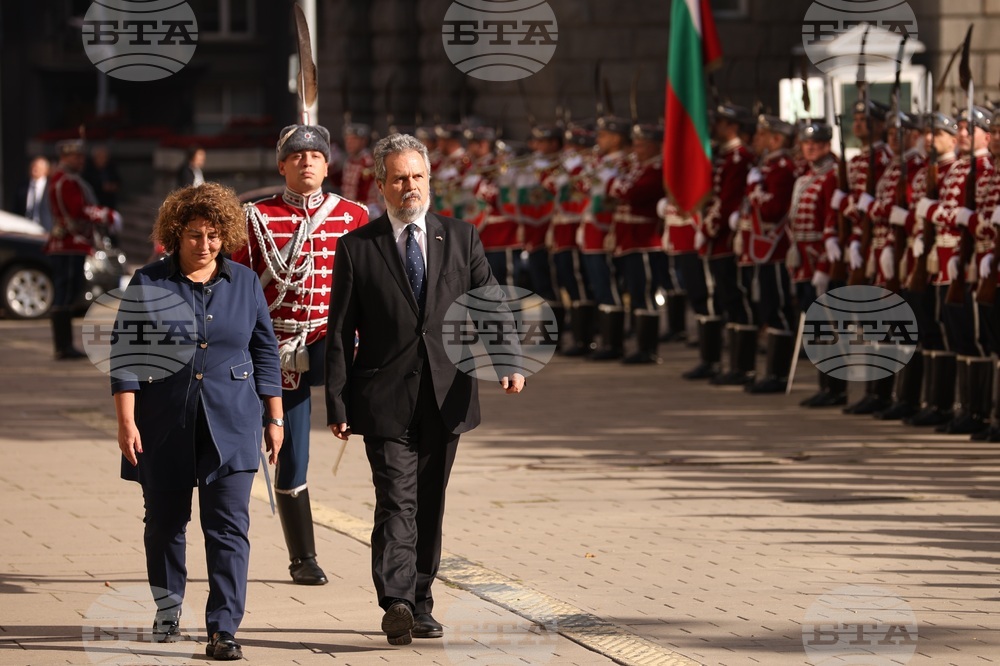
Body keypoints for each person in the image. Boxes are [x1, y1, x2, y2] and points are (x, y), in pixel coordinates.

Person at [325, 133, 525, 646]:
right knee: (396, 499)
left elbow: (489, 303)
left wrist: (507, 360)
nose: (409, 186)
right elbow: (340, 328)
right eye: (398, 178)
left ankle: (421, 600)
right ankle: (394, 601)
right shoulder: (357, 247)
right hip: (383, 397)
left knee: (429, 502)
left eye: (417, 177)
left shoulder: (461, 237)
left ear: (428, 179)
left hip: (446, 393)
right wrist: (337, 400)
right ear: (381, 184)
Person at [111, 182, 283, 661]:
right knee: (165, 524)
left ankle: (223, 628)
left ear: (225, 234)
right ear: (174, 234)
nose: (204, 244)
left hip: (232, 422)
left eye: (212, 235)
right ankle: (168, 610)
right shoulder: (149, 282)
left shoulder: (246, 282)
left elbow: (264, 351)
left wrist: (275, 416)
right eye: (194, 235)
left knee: (228, 527)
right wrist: (126, 422)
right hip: (164, 421)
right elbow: (126, 356)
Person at [231, 123, 369, 585]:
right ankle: (303, 557)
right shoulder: (256, 218)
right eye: (297, 155)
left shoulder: (353, 216)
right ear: (282, 165)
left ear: (327, 165)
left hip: (334, 344)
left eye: (315, 155)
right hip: (279, 345)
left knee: (372, 427)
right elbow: (240, 286)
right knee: (288, 448)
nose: (307, 161)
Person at [45, 139, 119, 360]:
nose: (80, 161)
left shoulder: (69, 179)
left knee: (69, 292)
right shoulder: (65, 181)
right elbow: (78, 210)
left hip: (72, 243)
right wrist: (105, 215)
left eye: (81, 157)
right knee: (65, 293)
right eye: (75, 157)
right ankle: (63, 346)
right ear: (65, 158)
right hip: (69, 243)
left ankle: (64, 345)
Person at [13, 156, 53, 231]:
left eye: (38, 167)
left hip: (45, 230)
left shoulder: (52, 187)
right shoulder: (22, 187)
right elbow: (16, 209)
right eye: (33, 166)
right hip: (24, 229)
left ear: (46, 170)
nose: (34, 169)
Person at [83, 144, 122, 210]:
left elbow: (118, 180)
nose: (103, 159)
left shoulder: (111, 167)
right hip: (95, 200)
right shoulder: (88, 169)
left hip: (110, 201)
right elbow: (87, 184)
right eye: (100, 157)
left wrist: (114, 186)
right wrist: (102, 187)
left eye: (105, 157)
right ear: (94, 158)